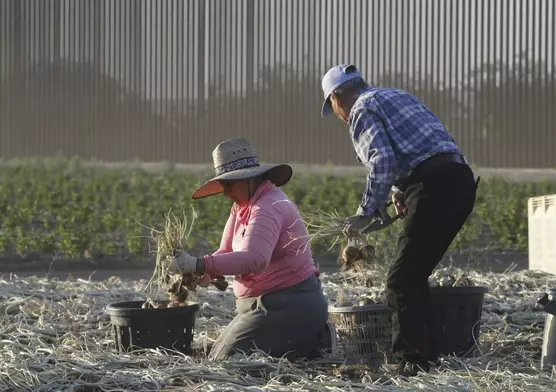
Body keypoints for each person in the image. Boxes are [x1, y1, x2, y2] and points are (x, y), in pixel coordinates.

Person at [320, 64, 479, 376]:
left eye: (333, 106)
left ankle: (411, 362)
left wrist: (366, 213)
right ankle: (431, 355)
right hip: (459, 180)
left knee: (400, 281)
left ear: (337, 97)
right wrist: (400, 190)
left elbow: (381, 161)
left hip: (434, 185)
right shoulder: (395, 95)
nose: (338, 114)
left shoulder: (361, 110)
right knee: (414, 275)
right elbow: (417, 147)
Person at [168, 138, 334, 361]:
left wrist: (198, 263)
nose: (225, 192)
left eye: (229, 184)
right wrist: (200, 273)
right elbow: (226, 251)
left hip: (287, 304)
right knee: (214, 353)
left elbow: (256, 259)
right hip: (258, 306)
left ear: (249, 178)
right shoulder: (241, 207)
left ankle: (315, 340)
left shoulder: (268, 206)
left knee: (227, 359)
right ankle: (303, 342)